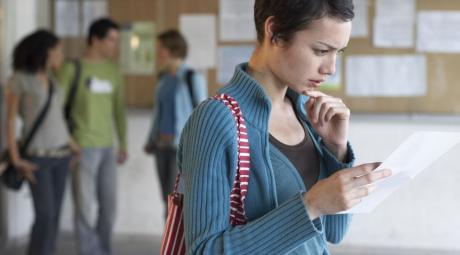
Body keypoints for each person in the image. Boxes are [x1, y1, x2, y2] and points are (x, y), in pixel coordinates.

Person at [177, 0, 393, 254]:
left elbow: (335, 231)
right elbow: (204, 249)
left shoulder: (307, 111)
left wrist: (336, 150)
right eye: (321, 51)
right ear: (275, 31)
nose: (331, 69)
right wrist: (310, 205)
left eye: (339, 52)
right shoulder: (216, 119)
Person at [5, 29, 79, 255]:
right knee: (45, 216)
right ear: (47, 52)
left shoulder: (51, 79)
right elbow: (9, 122)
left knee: (54, 215)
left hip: (61, 156)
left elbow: (56, 119)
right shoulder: (19, 79)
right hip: (37, 158)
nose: (61, 55)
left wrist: (74, 147)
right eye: (58, 50)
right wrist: (16, 158)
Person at [56, 18, 127, 255]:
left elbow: (118, 109)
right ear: (95, 39)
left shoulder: (113, 70)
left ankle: (103, 251)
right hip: (82, 147)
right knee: (84, 209)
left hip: (108, 147)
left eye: (117, 40)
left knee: (109, 208)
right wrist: (69, 140)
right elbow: (55, 109)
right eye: (111, 39)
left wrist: (123, 143)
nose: (115, 45)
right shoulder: (72, 68)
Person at [144, 29, 207, 219]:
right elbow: (158, 113)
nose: (157, 53)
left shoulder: (191, 77)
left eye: (160, 48)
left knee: (178, 201)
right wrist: (150, 139)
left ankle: (178, 245)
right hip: (161, 146)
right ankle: (170, 243)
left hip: (181, 148)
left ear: (171, 49)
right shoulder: (163, 79)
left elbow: (203, 115)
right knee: (166, 199)